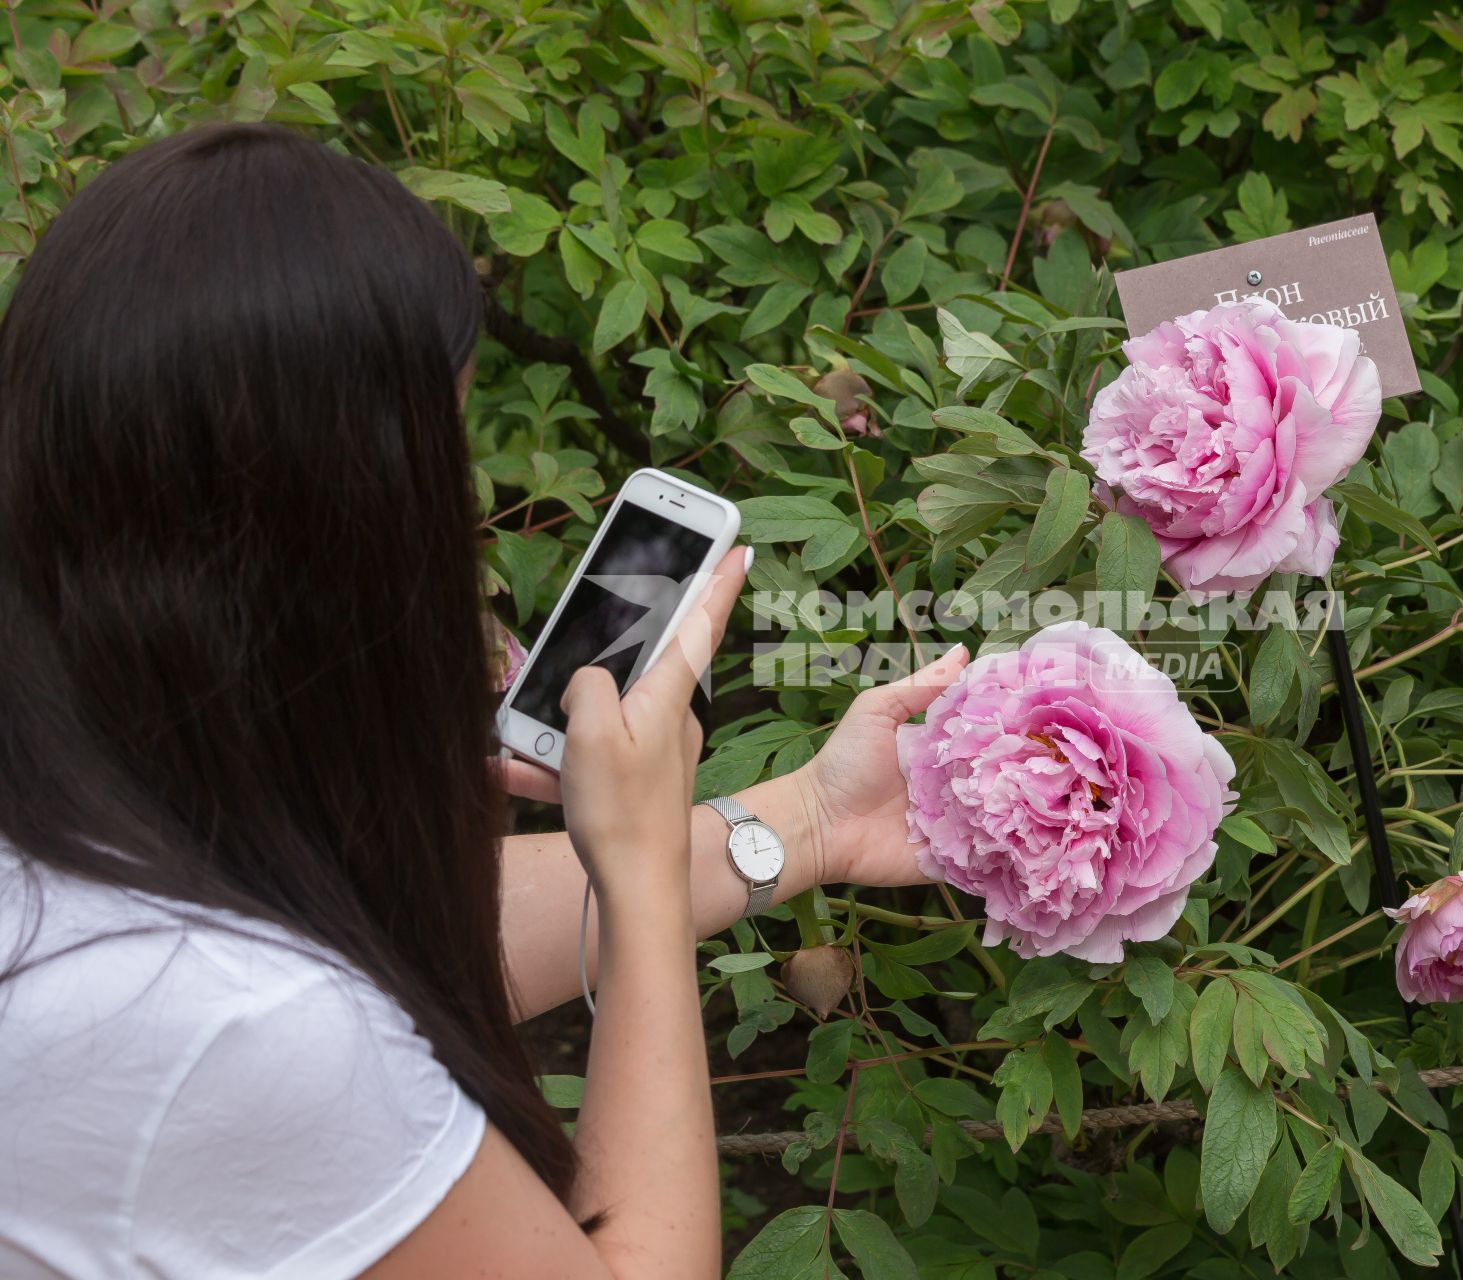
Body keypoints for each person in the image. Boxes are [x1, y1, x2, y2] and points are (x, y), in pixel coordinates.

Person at [0, 124, 966, 1279]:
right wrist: (644, 889)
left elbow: (362, 937)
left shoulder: (76, 822)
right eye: (439, 463)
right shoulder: (228, 1033)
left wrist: (807, 819)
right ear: (331, 529)